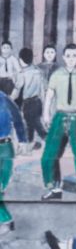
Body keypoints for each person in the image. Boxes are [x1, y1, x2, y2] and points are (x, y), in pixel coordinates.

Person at [40, 43, 76, 201]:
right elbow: (49, 96)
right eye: (68, 56)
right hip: (59, 117)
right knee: (49, 155)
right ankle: (54, 188)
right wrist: (46, 114)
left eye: (74, 56)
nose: (71, 59)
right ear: (63, 57)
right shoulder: (56, 75)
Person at [11, 48, 47, 152]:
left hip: (28, 103)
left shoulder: (22, 74)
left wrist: (9, 99)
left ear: (21, 60)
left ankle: (48, 140)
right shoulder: (38, 72)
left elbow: (17, 89)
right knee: (31, 124)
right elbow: (43, 88)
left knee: (34, 124)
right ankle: (30, 144)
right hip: (38, 101)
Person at [0, 87, 25, 232]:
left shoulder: (3, 98)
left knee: (2, 186)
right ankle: (6, 220)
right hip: (5, 147)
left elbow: (17, 117)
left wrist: (22, 140)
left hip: (6, 147)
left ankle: (6, 220)